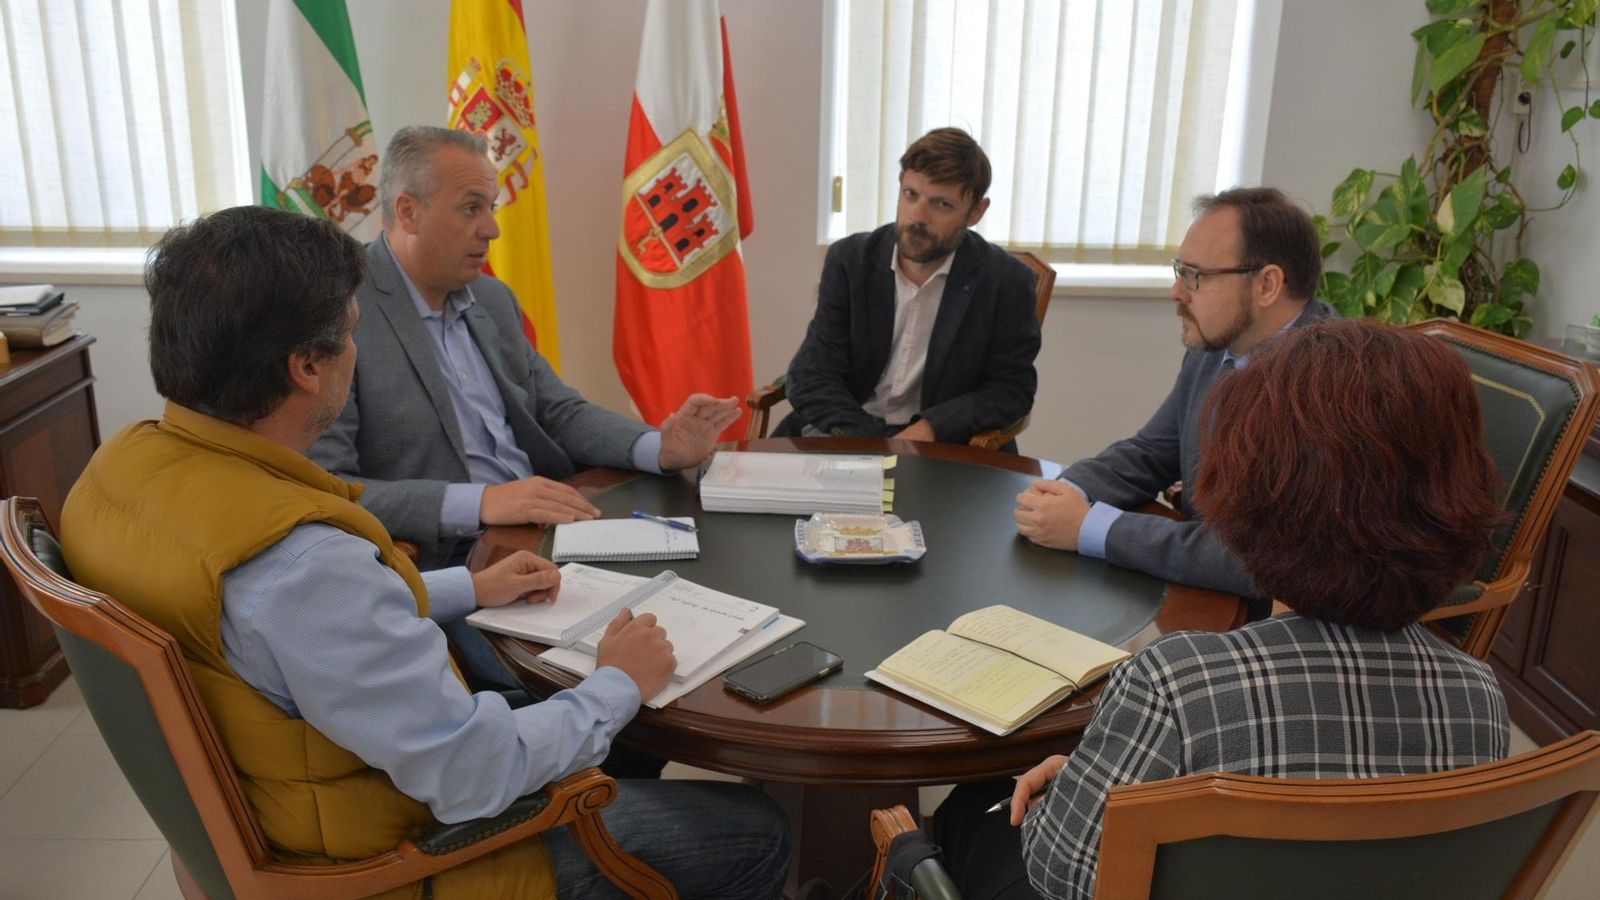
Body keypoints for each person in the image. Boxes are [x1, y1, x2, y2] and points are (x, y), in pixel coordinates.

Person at [59, 206, 790, 899]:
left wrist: (469, 588)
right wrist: (618, 682)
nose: (357, 351)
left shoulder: (122, 469)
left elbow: (289, 632)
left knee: (607, 730)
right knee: (757, 829)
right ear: (307, 367)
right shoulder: (305, 563)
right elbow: (474, 773)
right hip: (396, 866)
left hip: (290, 803)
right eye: (351, 334)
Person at [935, 319, 1510, 899]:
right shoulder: (1479, 697)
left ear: (1248, 494)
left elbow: (1060, 873)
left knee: (969, 808)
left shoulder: (1177, 685)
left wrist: (1073, 790)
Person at [307, 125, 739, 573]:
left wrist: (660, 448)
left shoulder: (491, 298)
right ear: (408, 212)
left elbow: (558, 411)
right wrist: (481, 502)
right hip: (452, 560)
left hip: (551, 528)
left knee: (712, 573)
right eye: (471, 208)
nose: (492, 229)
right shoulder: (338, 313)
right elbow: (329, 487)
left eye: (490, 208)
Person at [1014, 187, 1333, 607]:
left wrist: (1091, 528)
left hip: (1288, 620)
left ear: (1267, 285)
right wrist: (1064, 493)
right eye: (1179, 270)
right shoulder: (1218, 347)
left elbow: (1261, 556)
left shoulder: (1327, 387)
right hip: (1204, 591)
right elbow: (1152, 451)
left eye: (1195, 276)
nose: (1176, 292)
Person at [780, 127, 1041, 445]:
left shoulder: (1006, 280)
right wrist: (871, 443)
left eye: (942, 204)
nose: (918, 216)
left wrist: (930, 429)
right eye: (910, 194)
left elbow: (1011, 388)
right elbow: (812, 371)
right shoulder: (850, 261)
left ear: (976, 211)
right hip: (849, 428)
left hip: (940, 443)